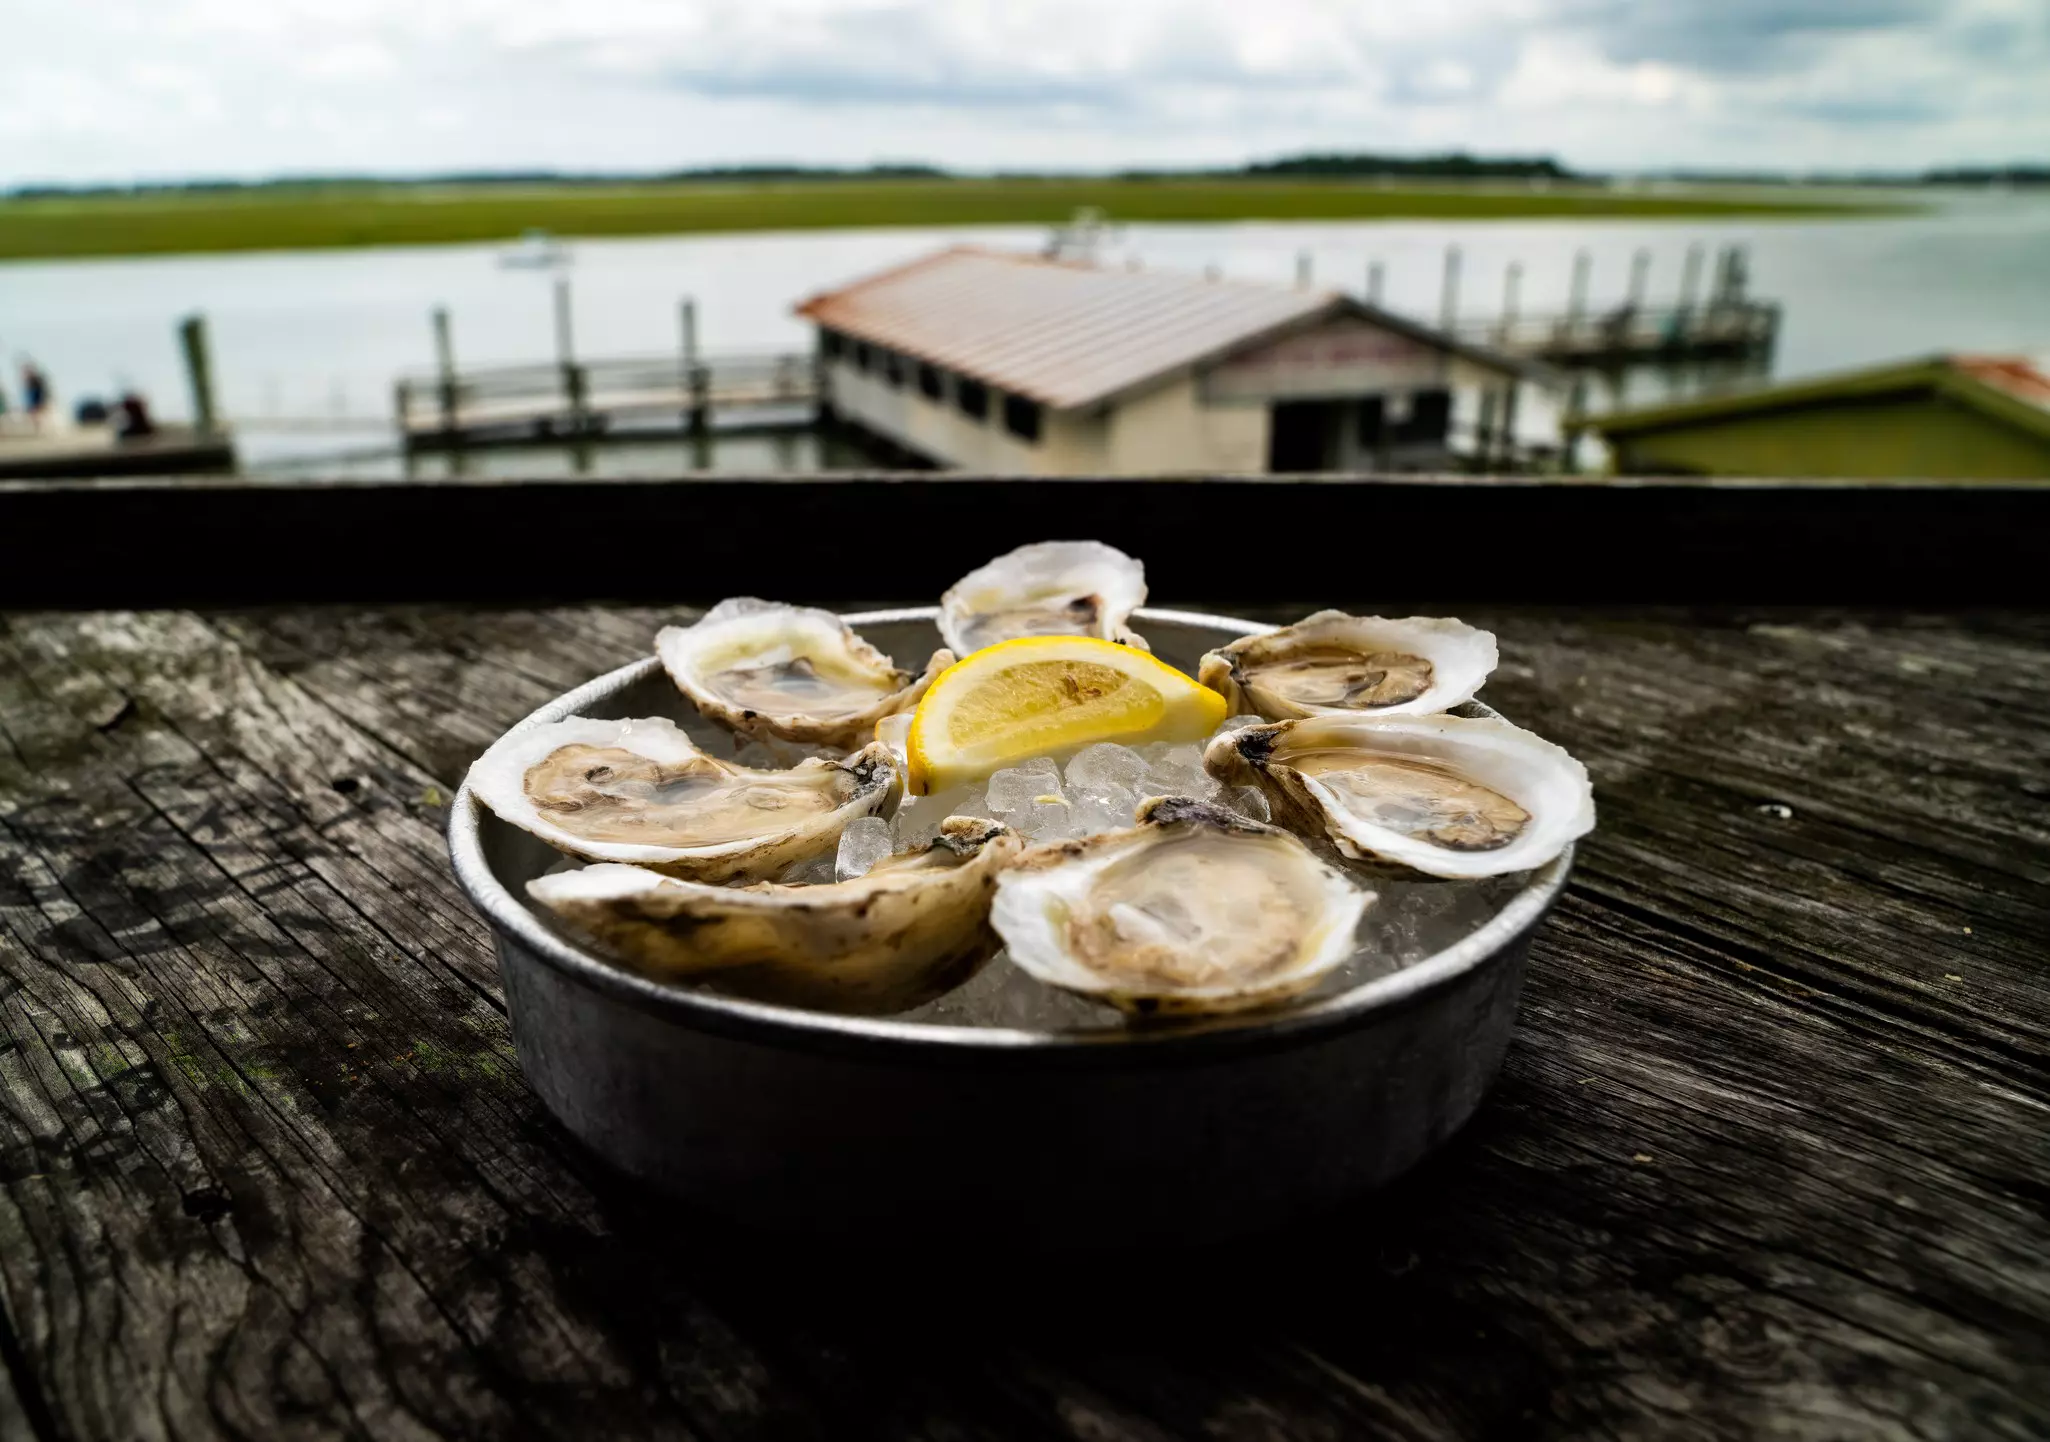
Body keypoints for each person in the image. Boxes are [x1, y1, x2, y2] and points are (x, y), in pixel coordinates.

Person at [20, 359, 50, 431]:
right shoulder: (31, 380)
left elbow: (41, 391)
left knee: (37, 413)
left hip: (36, 397)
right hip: (34, 397)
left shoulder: (36, 380)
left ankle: (39, 427)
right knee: (34, 413)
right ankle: (37, 427)